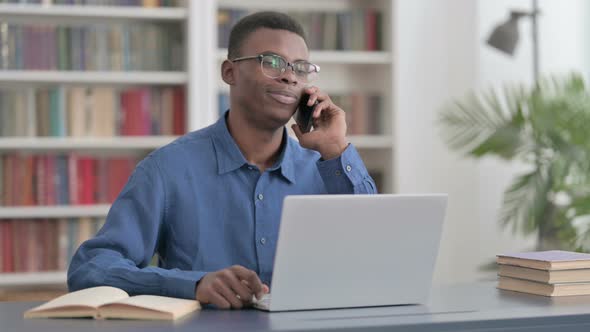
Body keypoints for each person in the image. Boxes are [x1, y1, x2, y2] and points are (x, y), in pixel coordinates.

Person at [67, 11, 377, 310]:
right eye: (272, 62)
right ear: (229, 72)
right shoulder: (168, 169)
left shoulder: (327, 168)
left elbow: (376, 253)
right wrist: (193, 285)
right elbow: (91, 268)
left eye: (299, 67)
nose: (288, 77)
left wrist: (337, 148)